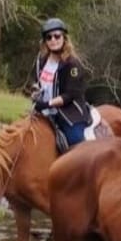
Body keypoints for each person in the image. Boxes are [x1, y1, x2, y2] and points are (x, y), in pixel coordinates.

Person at [31, 18, 92, 150]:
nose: (53, 40)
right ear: (45, 41)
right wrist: (35, 95)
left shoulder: (72, 64)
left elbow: (69, 95)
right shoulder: (40, 62)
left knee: (76, 143)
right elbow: (37, 84)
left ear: (64, 38)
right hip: (43, 112)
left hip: (69, 114)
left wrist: (47, 104)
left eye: (57, 36)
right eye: (49, 37)